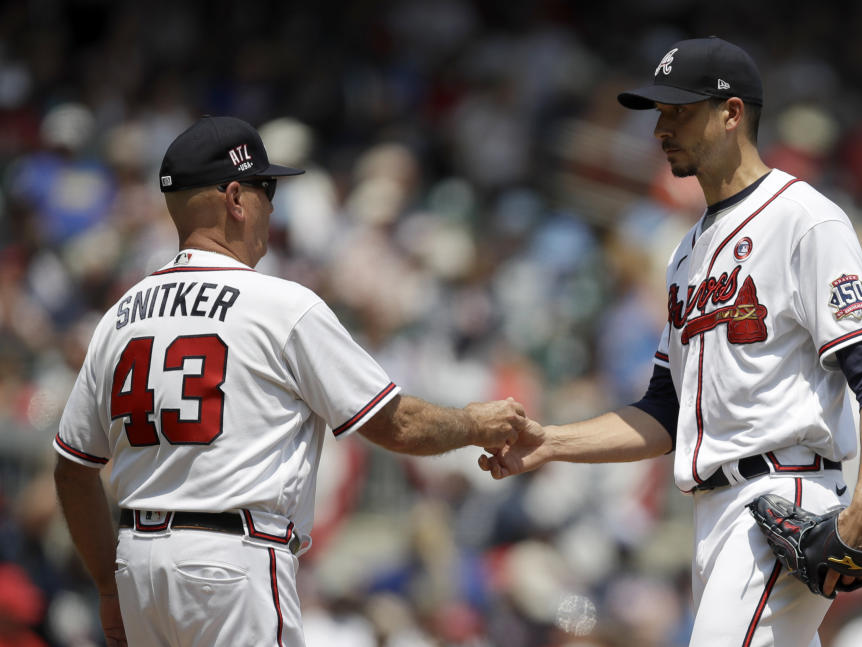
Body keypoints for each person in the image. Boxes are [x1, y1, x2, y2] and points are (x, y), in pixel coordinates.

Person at [480, 37, 862, 647]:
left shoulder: (804, 219)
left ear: (731, 114)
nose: (660, 127)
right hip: (714, 511)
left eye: (679, 111)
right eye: (659, 112)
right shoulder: (688, 252)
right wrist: (552, 442)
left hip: (783, 492)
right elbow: (664, 411)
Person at [53, 115, 528, 647]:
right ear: (235, 197)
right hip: (234, 563)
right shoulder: (282, 305)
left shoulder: (121, 316)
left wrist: (106, 585)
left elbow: (73, 468)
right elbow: (394, 425)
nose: (272, 206)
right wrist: (474, 423)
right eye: (266, 188)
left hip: (138, 564)